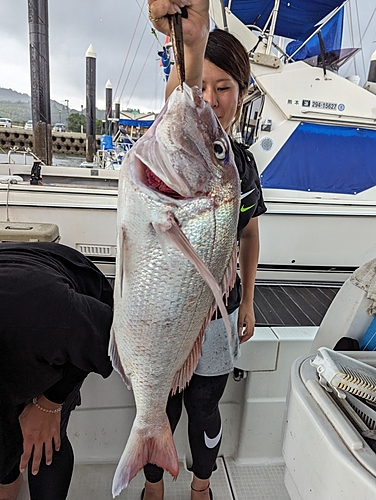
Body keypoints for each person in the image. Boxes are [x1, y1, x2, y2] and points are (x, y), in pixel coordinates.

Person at [143, 1, 267, 499]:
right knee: (162, 405)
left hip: (218, 313)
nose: (211, 100)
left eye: (225, 88)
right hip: (170, 309)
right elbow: (181, 93)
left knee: (204, 406)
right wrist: (186, 45)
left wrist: (252, 298)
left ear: (241, 93)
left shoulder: (242, 162)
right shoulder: (172, 142)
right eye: (203, 87)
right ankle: (154, 485)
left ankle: (200, 485)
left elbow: (250, 233)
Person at [0, 242, 114, 500]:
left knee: (43, 437)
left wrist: (50, 404)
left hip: (71, 292)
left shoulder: (51, 319)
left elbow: (105, 332)